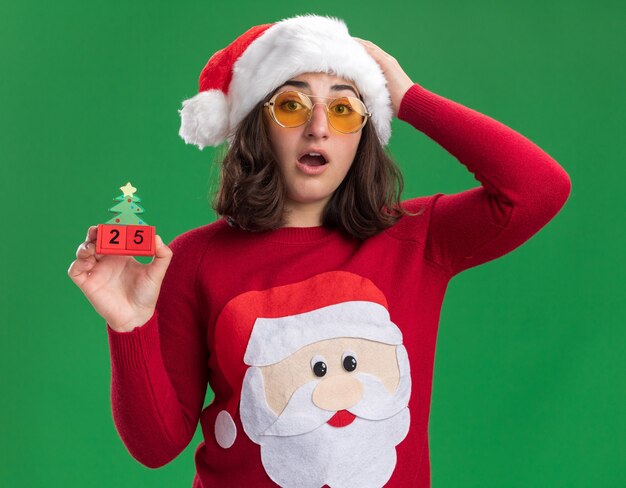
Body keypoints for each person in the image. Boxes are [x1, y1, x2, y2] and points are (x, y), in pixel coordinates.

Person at [67, 14, 571, 488]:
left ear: (364, 132)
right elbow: (155, 447)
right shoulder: (195, 259)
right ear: (255, 126)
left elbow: (539, 190)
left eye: (344, 107)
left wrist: (410, 97)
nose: (319, 126)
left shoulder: (415, 237)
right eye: (291, 105)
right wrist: (128, 325)